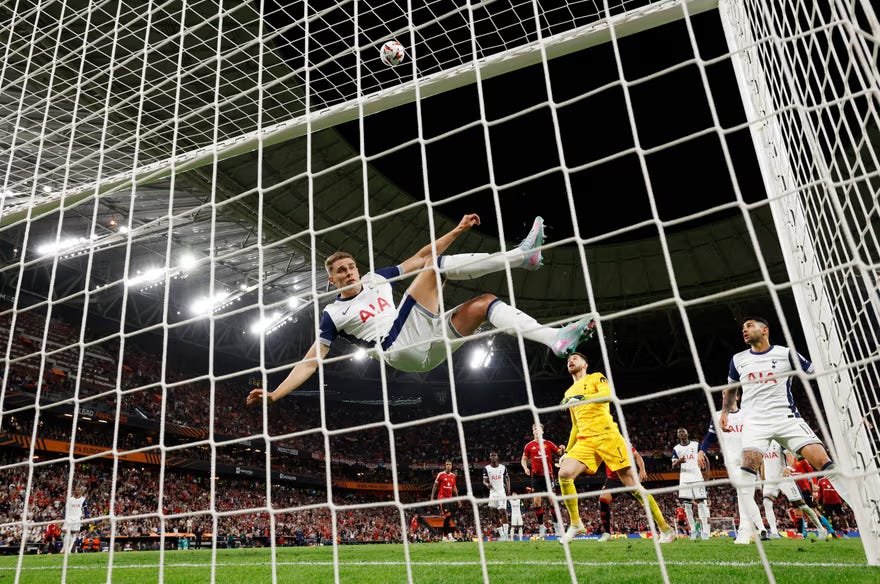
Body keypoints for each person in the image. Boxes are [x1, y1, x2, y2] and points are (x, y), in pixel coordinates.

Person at [247, 215, 596, 406]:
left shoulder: (375, 279)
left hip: (428, 348)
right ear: (332, 280)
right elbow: (312, 359)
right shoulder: (332, 314)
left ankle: (555, 338)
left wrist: (456, 231)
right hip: (396, 348)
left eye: (352, 266)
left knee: (484, 304)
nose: (350, 272)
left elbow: (419, 256)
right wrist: (276, 392)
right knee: (433, 269)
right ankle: (521, 256)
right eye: (342, 271)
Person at [720, 317, 853, 542]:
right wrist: (725, 412)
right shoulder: (738, 359)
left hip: (786, 418)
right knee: (747, 470)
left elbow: (812, 371)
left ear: (765, 330)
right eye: (743, 328)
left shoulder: (785, 353)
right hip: (755, 421)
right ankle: (745, 530)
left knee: (824, 462)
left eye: (749, 326)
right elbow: (731, 388)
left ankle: (865, 511)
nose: (744, 330)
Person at [556, 352, 675, 545]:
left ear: (585, 364)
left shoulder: (596, 377)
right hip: (585, 441)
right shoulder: (568, 393)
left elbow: (609, 395)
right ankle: (576, 523)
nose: (571, 360)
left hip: (607, 436)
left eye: (576, 358)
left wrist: (582, 396)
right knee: (565, 474)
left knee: (633, 486)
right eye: (569, 359)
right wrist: (568, 450)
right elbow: (575, 425)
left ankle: (665, 529)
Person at [699, 393, 767, 544]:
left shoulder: (746, 414)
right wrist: (701, 451)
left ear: (737, 397)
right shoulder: (718, 416)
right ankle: (753, 529)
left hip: (748, 459)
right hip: (732, 460)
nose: (726, 396)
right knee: (743, 492)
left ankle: (754, 530)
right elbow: (710, 436)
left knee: (744, 493)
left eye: (729, 393)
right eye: (723, 394)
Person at [762, 440, 833, 539]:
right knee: (767, 502)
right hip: (770, 481)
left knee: (803, 506)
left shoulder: (778, 442)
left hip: (784, 479)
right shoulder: (762, 444)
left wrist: (789, 468)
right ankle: (774, 532)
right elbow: (762, 463)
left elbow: (790, 456)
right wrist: (762, 479)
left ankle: (821, 529)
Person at [521, 423, 565, 538]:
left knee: (552, 501)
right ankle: (541, 526)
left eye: (538, 429)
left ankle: (556, 525)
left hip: (548, 476)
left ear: (542, 431)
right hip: (536, 477)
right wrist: (525, 468)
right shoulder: (529, 446)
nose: (536, 431)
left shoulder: (548, 443)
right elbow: (523, 459)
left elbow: (559, 453)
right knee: (536, 502)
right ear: (533, 432)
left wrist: (562, 449)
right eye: (534, 429)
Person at [597, 443, 646, 541]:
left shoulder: (622, 441)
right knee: (603, 498)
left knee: (645, 500)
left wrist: (642, 470)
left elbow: (637, 456)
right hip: (613, 479)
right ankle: (607, 533)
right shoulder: (600, 443)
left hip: (628, 476)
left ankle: (663, 528)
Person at [672, 428, 710, 540]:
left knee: (701, 504)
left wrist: (707, 474)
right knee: (687, 505)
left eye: (683, 431)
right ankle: (693, 530)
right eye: (679, 432)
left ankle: (705, 532)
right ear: (677, 436)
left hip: (697, 477)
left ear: (687, 433)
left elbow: (705, 458)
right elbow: (673, 465)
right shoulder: (676, 449)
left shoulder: (696, 445)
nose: (681, 433)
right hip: (684, 479)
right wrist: (679, 461)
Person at [482, 452, 511, 541]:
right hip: (493, 493)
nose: (493, 457)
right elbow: (484, 480)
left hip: (501, 492)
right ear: (490, 457)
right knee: (494, 514)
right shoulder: (486, 468)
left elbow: (507, 477)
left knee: (503, 511)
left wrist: (509, 488)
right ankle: (501, 534)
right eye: (491, 456)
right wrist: (487, 484)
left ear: (497, 457)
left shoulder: (503, 467)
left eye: (495, 455)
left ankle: (506, 534)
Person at [430, 460, 461, 542]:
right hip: (442, 498)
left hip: (450, 499)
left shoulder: (453, 476)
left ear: (451, 466)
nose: (448, 466)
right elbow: (435, 486)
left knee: (449, 517)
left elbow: (454, 488)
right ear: (445, 466)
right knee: (448, 515)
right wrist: (432, 497)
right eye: (447, 464)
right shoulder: (441, 474)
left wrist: (458, 500)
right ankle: (449, 535)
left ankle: (445, 536)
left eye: (449, 464)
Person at [63, 486, 88, 553]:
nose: (77, 491)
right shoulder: (70, 499)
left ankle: (69, 550)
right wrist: (63, 517)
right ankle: (64, 548)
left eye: (79, 490)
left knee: (73, 534)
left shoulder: (83, 500)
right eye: (76, 489)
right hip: (69, 517)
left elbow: (86, 510)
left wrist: (87, 518)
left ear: (81, 492)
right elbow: (65, 509)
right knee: (67, 533)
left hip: (77, 518)